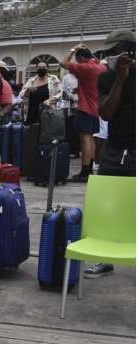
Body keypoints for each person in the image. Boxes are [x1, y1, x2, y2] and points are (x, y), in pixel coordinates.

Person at [82, 29, 136, 280]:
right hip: (115, 147)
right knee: (107, 204)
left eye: (116, 51)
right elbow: (105, 112)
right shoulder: (108, 76)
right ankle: (104, 258)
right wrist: (121, 78)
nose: (111, 57)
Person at [61, 45, 106, 182]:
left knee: (85, 139)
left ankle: (84, 173)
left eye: (78, 59)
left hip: (86, 107)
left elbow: (63, 63)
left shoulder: (85, 67)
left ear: (81, 58)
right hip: (97, 107)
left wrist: (73, 49)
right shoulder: (100, 67)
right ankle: (89, 169)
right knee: (91, 138)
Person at [59, 71, 80, 157]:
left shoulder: (83, 76)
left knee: (78, 130)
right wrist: (70, 97)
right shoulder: (66, 77)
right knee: (69, 128)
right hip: (68, 107)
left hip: (80, 106)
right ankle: (70, 150)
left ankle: (76, 151)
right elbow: (62, 92)